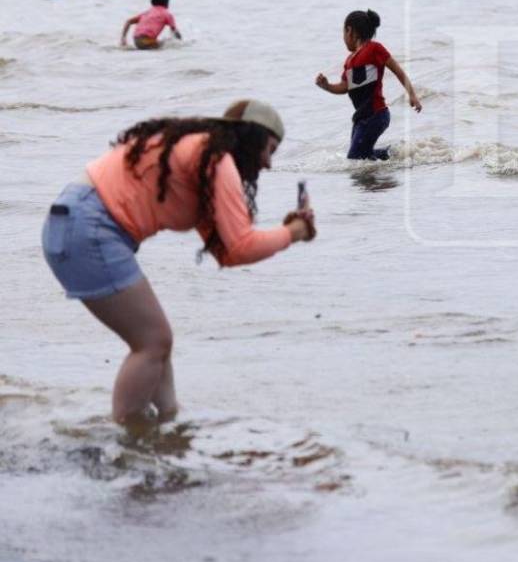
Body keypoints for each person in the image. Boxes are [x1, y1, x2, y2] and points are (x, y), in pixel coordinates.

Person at [41, 99, 315, 428]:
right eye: (270, 149)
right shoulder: (215, 157)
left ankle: (168, 423)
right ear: (251, 136)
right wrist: (294, 232)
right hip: (91, 227)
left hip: (72, 221)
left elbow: (227, 253)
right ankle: (128, 437)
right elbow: (241, 246)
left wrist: (288, 232)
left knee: (157, 341)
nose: (268, 164)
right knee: (153, 341)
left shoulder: (199, 156)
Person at [315, 9, 422, 161]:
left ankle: (397, 155)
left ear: (350, 31)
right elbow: (344, 87)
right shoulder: (349, 61)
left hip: (376, 115)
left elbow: (398, 71)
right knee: (361, 157)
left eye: (343, 33)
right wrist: (327, 85)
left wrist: (412, 95)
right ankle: (396, 153)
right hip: (361, 118)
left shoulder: (374, 49)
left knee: (355, 159)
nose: (343, 38)